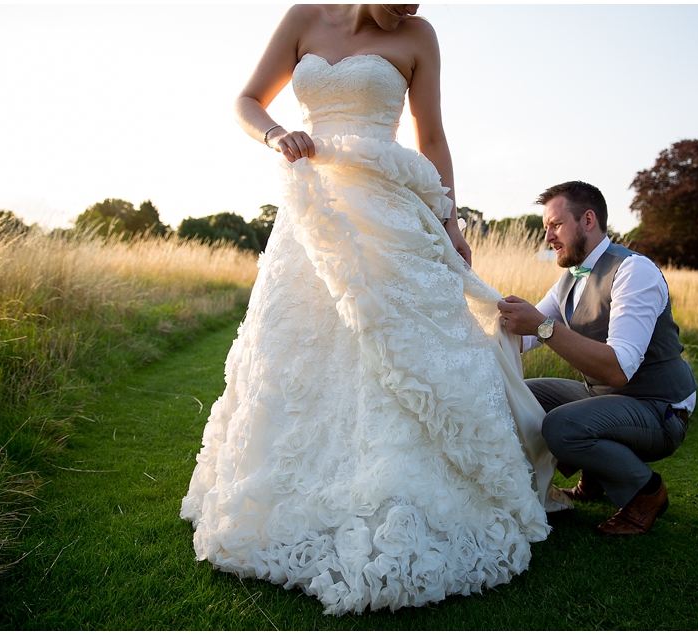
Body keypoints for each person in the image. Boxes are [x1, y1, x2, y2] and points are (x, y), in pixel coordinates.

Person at [180, 5, 566, 616]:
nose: (409, 6)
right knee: (299, 349)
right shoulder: (304, 16)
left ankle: (396, 497)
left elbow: (431, 135)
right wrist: (277, 135)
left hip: (388, 213)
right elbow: (248, 100)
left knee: (401, 345)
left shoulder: (419, 35)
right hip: (312, 211)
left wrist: (448, 218)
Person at [497, 180, 698, 536]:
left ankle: (645, 492)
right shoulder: (567, 283)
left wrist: (544, 327)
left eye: (555, 225)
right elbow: (525, 337)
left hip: (659, 407)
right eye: (546, 228)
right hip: (609, 401)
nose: (548, 238)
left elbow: (618, 369)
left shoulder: (634, 272)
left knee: (560, 427)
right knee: (523, 395)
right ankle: (597, 475)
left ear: (588, 220)